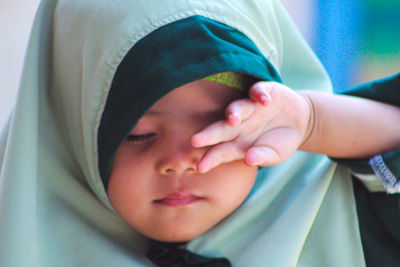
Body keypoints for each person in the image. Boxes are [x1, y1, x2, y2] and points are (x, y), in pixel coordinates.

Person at [0, 0, 399, 266]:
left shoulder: (336, 216)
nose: (179, 161)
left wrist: (314, 121)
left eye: (219, 125)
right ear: (72, 133)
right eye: (137, 132)